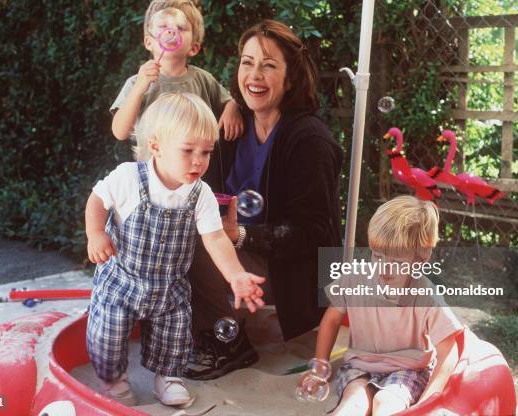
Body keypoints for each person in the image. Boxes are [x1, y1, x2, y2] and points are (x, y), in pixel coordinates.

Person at [185, 19, 343, 380]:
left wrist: (241, 236)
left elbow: (314, 233)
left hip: (302, 271)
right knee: (176, 231)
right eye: (247, 61)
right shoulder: (233, 127)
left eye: (269, 65)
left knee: (196, 245)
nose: (254, 74)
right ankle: (203, 327)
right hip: (251, 258)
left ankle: (231, 344)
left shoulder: (309, 141)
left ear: (290, 78)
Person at [85, 93, 265, 406]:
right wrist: (96, 233)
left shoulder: (201, 194)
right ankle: (113, 381)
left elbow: (216, 239)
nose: (199, 160)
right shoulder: (129, 177)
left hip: (168, 288)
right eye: (188, 150)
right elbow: (97, 200)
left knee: (174, 335)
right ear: (156, 146)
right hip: (121, 283)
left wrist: (236, 274)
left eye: (207, 152)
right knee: (107, 338)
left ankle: (167, 378)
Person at [306, 195, 462, 416]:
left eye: (397, 263)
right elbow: (332, 319)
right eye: (377, 256)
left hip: (407, 370)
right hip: (360, 366)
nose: (385, 269)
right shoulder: (354, 279)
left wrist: (428, 401)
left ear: (420, 260)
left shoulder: (426, 295)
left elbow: (448, 351)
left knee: (386, 404)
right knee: (353, 405)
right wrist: (319, 367)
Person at [110, 0, 243, 155]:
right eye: (163, 26)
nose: (171, 31)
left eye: (181, 27)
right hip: (152, 173)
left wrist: (232, 107)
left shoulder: (203, 80)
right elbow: (120, 132)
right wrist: (139, 89)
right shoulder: (136, 82)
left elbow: (230, 101)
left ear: (194, 48)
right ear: (148, 42)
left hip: (194, 171)